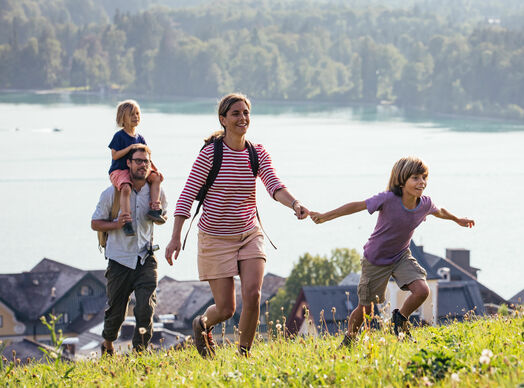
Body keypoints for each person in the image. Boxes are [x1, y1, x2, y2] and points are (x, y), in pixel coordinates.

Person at [165, 93, 309, 358]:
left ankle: (243, 354)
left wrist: (295, 203)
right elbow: (187, 194)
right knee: (226, 309)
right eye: (236, 113)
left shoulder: (257, 153)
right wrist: (175, 237)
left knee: (253, 294)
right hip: (215, 238)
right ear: (223, 119)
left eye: (246, 113)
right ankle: (202, 324)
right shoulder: (210, 155)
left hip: (249, 233)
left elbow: (273, 185)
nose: (242, 118)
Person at [310, 156, 475, 346]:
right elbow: (357, 205)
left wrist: (457, 219)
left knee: (422, 290)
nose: (421, 182)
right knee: (366, 309)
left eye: (424, 177)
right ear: (401, 180)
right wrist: (325, 216)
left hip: (401, 256)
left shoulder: (425, 204)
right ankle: (349, 340)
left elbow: (440, 211)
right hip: (376, 260)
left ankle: (400, 320)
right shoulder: (387, 199)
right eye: (415, 178)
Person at [92, 146, 167, 355]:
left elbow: (164, 215)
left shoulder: (157, 191)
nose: (142, 165)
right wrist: (117, 224)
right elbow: (95, 223)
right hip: (119, 261)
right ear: (128, 163)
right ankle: (107, 345)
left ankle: (140, 353)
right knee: (116, 313)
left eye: (146, 161)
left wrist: (158, 217)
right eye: (138, 161)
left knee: (145, 309)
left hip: (146, 258)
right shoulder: (112, 194)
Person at [108, 99, 165, 236]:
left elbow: (147, 157)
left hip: (137, 169)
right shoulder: (119, 136)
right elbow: (115, 155)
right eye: (132, 114)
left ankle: (154, 208)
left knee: (157, 177)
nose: (136, 117)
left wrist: (155, 169)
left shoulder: (140, 138)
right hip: (120, 170)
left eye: (138, 114)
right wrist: (131, 148)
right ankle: (127, 220)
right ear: (123, 118)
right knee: (126, 188)